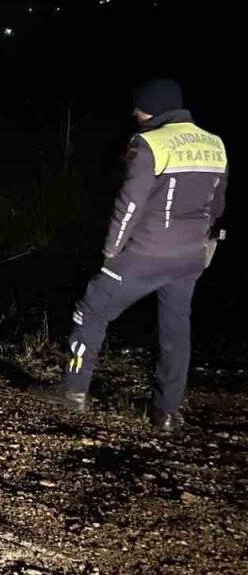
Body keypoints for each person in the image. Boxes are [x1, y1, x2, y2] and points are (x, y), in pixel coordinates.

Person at [32, 78, 228, 431]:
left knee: (91, 310)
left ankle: (73, 392)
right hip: (191, 257)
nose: (134, 114)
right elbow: (217, 206)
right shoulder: (215, 144)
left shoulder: (149, 143)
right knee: (175, 328)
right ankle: (166, 412)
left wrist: (111, 251)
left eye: (138, 108)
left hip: (145, 253)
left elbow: (130, 205)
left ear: (152, 107)